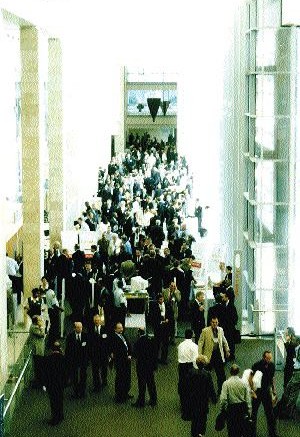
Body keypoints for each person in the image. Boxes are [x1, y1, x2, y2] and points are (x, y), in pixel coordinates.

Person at [198, 316, 230, 394]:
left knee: (221, 375)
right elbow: (200, 342)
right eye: (213, 322)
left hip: (218, 355)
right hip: (208, 355)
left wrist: (227, 350)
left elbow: (224, 340)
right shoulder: (205, 331)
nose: (214, 324)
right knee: (206, 374)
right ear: (210, 322)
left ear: (218, 323)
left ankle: (221, 390)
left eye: (216, 322)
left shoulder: (220, 330)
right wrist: (199, 355)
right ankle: (206, 391)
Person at [186, 355, 217, 437]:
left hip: (193, 399)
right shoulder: (207, 374)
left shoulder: (191, 372)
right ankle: (201, 433)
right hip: (203, 400)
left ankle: (194, 433)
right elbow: (211, 388)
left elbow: (187, 386)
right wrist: (214, 398)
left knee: (194, 418)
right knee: (203, 418)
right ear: (204, 364)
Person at [250, 350, 278, 437]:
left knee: (270, 414)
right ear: (264, 357)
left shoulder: (272, 365)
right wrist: (252, 390)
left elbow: (272, 378)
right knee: (253, 413)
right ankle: (252, 433)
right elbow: (250, 377)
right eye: (268, 358)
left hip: (266, 392)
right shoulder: (256, 365)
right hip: (257, 392)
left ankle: (272, 434)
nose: (269, 360)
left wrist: (274, 389)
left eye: (270, 358)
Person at [219, 364, 252, 437]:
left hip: (231, 409)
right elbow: (248, 399)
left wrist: (222, 409)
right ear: (238, 372)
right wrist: (249, 411)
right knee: (241, 428)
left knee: (231, 429)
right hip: (242, 408)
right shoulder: (243, 383)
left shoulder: (226, 383)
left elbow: (223, 399)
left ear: (230, 372)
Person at [132, 327, 157, 408]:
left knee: (142, 385)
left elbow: (135, 354)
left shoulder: (138, 342)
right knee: (151, 383)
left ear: (139, 333)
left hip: (141, 366)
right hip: (150, 366)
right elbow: (155, 353)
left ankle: (141, 401)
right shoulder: (151, 340)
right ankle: (153, 400)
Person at [43, 341, 67, 426]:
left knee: (53, 401)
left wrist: (45, 384)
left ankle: (55, 418)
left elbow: (45, 373)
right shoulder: (63, 358)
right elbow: (66, 372)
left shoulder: (48, 359)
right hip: (60, 384)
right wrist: (65, 382)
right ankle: (60, 415)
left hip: (52, 384)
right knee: (60, 400)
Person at [177, 328, 199, 420]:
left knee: (182, 385)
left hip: (182, 366)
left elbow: (179, 356)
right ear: (192, 335)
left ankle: (183, 404)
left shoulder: (180, 345)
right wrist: (197, 369)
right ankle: (190, 405)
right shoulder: (194, 346)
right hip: (190, 367)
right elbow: (195, 359)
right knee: (191, 386)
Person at [110, 322, 133, 403]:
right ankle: (119, 396)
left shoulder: (123, 335)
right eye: (119, 328)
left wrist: (130, 354)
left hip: (127, 361)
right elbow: (117, 352)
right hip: (121, 363)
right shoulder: (114, 338)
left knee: (127, 378)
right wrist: (126, 357)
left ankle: (125, 393)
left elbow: (128, 345)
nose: (121, 329)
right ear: (115, 329)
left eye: (122, 328)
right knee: (120, 379)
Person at [65, 321, 89, 399]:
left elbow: (88, 348)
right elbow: (68, 349)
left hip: (83, 360)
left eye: (81, 327)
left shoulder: (85, 336)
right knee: (74, 376)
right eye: (78, 327)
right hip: (73, 360)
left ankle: (82, 392)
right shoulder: (70, 336)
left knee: (83, 376)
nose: (80, 329)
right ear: (74, 328)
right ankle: (75, 392)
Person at [88, 314, 109, 392]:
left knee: (104, 369)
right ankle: (97, 385)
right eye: (95, 321)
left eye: (98, 320)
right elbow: (89, 342)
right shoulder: (90, 330)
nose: (97, 322)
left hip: (103, 354)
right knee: (95, 370)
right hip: (94, 354)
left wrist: (109, 353)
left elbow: (107, 342)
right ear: (94, 321)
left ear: (100, 321)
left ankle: (104, 381)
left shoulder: (105, 329)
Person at [28, 315, 45, 388]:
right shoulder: (33, 328)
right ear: (36, 321)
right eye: (39, 320)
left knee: (39, 365)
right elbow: (41, 335)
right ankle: (38, 381)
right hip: (37, 349)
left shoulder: (36, 327)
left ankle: (39, 380)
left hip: (39, 348)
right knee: (38, 365)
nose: (41, 321)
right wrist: (41, 328)